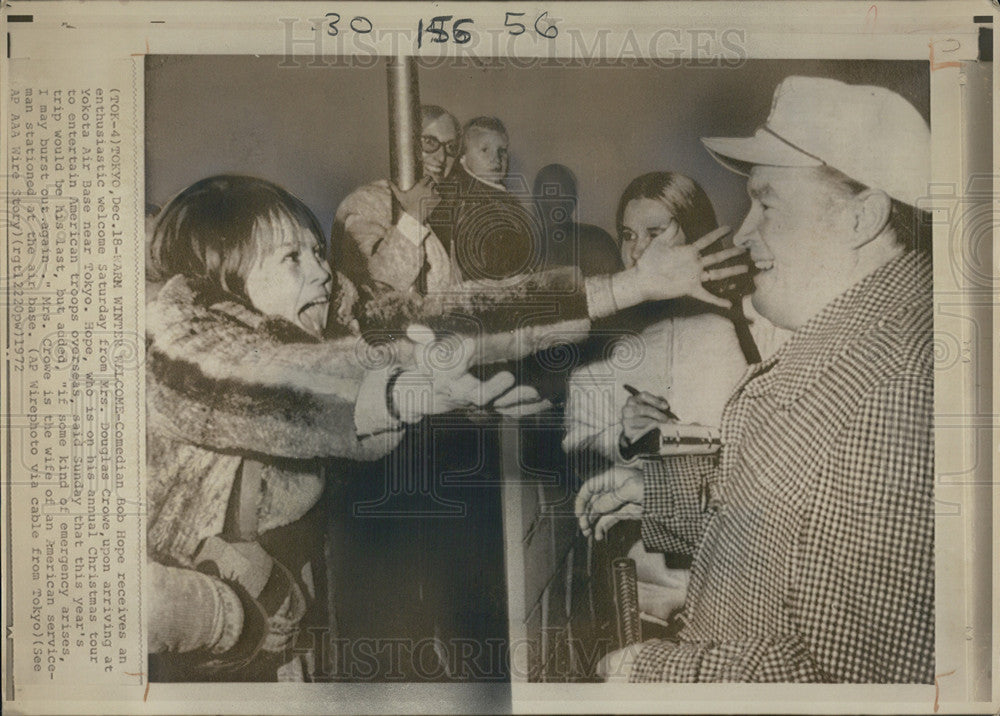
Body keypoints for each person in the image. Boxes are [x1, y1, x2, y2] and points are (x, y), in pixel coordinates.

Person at [578, 76, 933, 683]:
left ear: (861, 217)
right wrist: (668, 496)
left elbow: (864, 681)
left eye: (765, 204)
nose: (743, 234)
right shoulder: (855, 344)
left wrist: (656, 676)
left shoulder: (894, 393)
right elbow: (801, 538)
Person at [145, 175, 520, 681]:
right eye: (291, 258)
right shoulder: (190, 358)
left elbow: (395, 308)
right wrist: (395, 394)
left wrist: (617, 290)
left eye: (317, 253)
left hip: (279, 616)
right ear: (225, 278)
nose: (322, 272)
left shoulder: (293, 326)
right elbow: (279, 384)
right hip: (198, 650)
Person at [332, 105, 461, 295]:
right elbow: (373, 288)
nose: (441, 158)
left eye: (451, 147)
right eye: (429, 142)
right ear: (405, 143)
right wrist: (413, 217)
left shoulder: (447, 211)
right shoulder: (366, 203)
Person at [427, 116, 542, 282]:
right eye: (485, 150)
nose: (496, 158)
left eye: (502, 150)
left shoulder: (496, 195)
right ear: (462, 157)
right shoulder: (467, 200)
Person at [532, 163, 621, 277]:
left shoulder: (597, 239)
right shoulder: (528, 244)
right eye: (551, 191)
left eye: (565, 190)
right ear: (537, 197)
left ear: (574, 198)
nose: (560, 197)